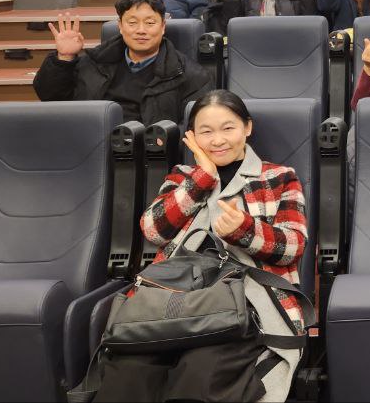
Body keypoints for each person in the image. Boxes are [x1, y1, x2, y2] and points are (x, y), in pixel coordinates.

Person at [131, 90, 308, 402]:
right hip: (174, 298)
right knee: (130, 370)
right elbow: (153, 230)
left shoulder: (278, 177)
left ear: (247, 128)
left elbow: (293, 246)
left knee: (201, 368)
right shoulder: (183, 176)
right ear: (191, 136)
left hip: (246, 303)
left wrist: (244, 230)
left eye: (228, 128)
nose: (217, 140)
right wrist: (202, 177)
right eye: (206, 131)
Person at [33, 0, 212, 126]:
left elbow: (194, 127)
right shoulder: (94, 62)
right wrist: (64, 58)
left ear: (163, 27)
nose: (141, 30)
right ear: (120, 26)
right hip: (89, 144)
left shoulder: (190, 75)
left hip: (152, 154)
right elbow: (51, 98)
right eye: (132, 23)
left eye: (150, 23)